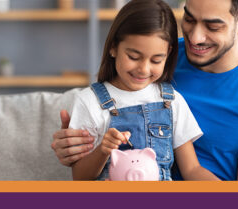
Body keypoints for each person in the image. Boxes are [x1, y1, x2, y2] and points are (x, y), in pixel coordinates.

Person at [52, 0, 238, 180]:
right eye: (189, 19)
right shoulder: (158, 53)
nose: (195, 38)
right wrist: (77, 147)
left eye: (213, 26)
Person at [68, 0, 219, 181]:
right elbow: (80, 178)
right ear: (113, 47)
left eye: (156, 60)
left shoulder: (172, 101)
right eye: (133, 56)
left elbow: (192, 170)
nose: (143, 69)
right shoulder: (89, 102)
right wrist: (103, 150)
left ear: (168, 54)